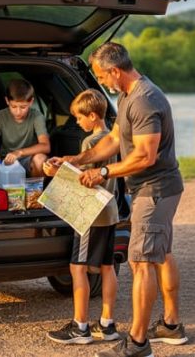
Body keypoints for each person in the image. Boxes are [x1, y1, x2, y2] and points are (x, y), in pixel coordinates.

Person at [48, 42, 187, 357]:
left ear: (115, 70)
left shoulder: (145, 100)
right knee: (161, 253)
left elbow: (145, 156)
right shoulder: (126, 97)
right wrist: (77, 160)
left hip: (155, 189)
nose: (102, 81)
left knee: (141, 262)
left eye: (101, 75)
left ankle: (138, 344)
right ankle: (171, 325)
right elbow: (112, 139)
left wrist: (104, 173)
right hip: (153, 188)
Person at [44, 89, 120, 345]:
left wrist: (56, 172)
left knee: (77, 268)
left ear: (92, 115)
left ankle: (80, 327)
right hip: (109, 211)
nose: (77, 122)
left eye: (79, 118)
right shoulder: (114, 137)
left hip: (90, 214)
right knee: (107, 267)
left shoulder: (91, 143)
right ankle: (107, 325)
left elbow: (85, 181)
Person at [0, 78, 50, 176]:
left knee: (40, 159)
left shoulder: (37, 117)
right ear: (7, 101)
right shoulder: (0, 116)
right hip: (6, 161)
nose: (18, 112)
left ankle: (35, 190)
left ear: (31, 102)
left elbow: (45, 146)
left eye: (23, 107)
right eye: (13, 107)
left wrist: (19, 152)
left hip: (28, 159)